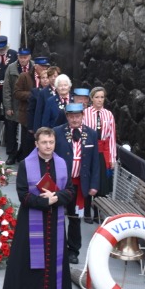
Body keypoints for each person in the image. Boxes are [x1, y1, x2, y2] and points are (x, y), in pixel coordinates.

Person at [0, 127, 75, 289]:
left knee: (56, 262)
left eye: (51, 142)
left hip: (55, 221)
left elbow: (71, 191)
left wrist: (56, 196)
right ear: (36, 144)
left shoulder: (62, 163)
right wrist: (44, 201)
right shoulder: (26, 164)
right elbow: (22, 195)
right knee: (26, 262)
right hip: (31, 221)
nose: (48, 146)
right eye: (44, 142)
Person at [53, 104, 99, 264]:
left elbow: (95, 162)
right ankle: (56, 248)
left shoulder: (92, 134)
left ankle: (73, 251)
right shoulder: (57, 132)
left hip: (79, 184)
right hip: (61, 183)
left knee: (74, 218)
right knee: (56, 216)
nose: (74, 119)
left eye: (77, 116)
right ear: (67, 116)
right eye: (71, 116)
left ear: (82, 116)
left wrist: (94, 185)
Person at [83, 86, 117, 224]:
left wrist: (113, 157)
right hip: (89, 150)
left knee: (101, 183)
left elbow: (112, 137)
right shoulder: (85, 113)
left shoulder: (108, 114)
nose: (99, 100)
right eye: (97, 97)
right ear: (91, 98)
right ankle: (86, 212)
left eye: (102, 97)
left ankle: (97, 212)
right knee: (88, 180)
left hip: (103, 151)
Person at [14, 56, 48, 162]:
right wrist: (33, 95)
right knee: (27, 143)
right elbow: (16, 93)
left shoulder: (49, 78)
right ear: (36, 66)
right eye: (42, 66)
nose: (44, 69)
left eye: (46, 66)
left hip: (42, 117)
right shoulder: (25, 76)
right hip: (27, 115)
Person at [2, 48, 32, 164]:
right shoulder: (11, 68)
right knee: (11, 130)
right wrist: (8, 107)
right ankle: (11, 154)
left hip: (27, 105)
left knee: (26, 131)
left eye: (25, 57)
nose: (23, 60)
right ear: (18, 57)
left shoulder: (34, 67)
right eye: (20, 57)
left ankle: (23, 154)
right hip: (14, 104)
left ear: (29, 57)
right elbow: (7, 89)